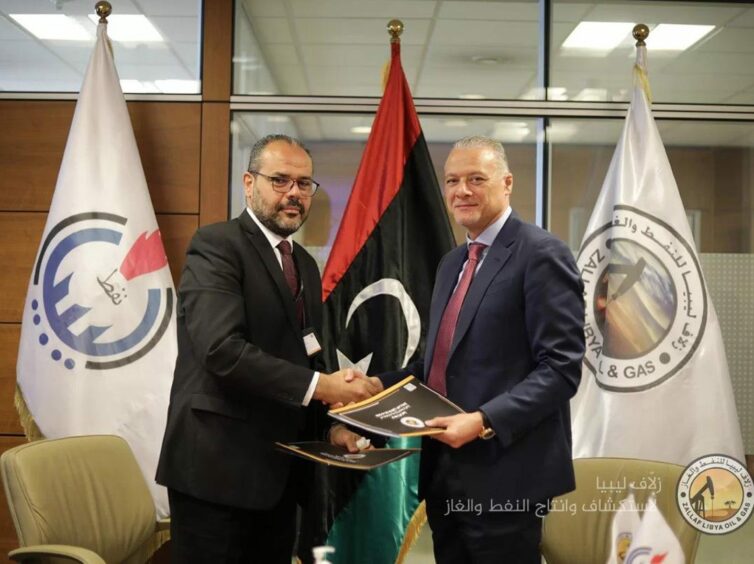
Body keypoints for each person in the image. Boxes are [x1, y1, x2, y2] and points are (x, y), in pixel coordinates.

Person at [156, 134, 381, 563]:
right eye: (280, 180)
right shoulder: (217, 245)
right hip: (216, 475)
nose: (294, 193)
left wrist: (331, 430)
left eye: (304, 183)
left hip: (282, 476)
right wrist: (323, 386)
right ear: (248, 183)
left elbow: (305, 357)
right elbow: (221, 350)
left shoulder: (306, 267)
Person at [380, 136, 585, 563]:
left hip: (506, 473)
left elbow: (561, 370)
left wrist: (483, 421)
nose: (462, 190)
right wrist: (370, 389)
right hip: (444, 473)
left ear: (506, 183)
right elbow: (435, 367)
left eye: (477, 178)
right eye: (452, 180)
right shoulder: (452, 263)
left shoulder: (542, 254)